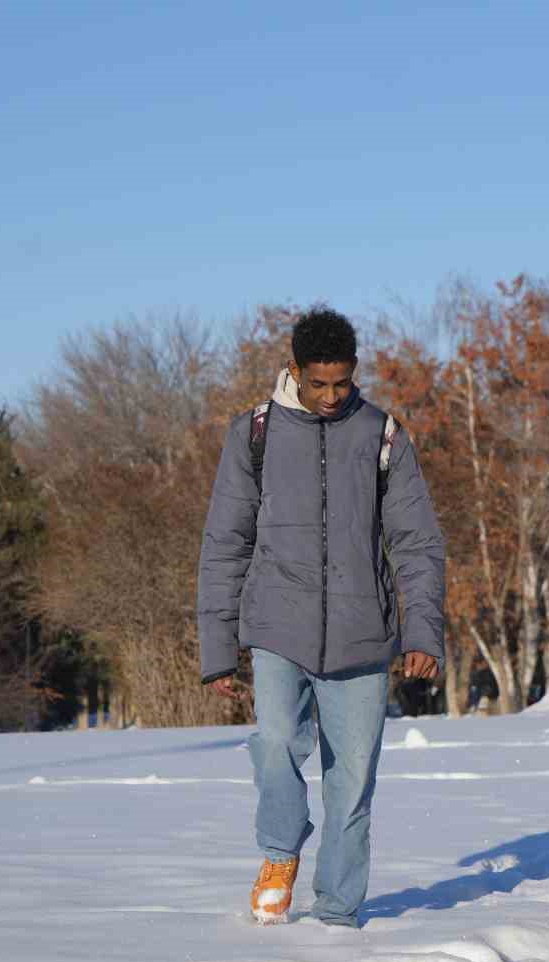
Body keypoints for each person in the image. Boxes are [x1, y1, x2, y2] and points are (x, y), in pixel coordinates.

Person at [198, 307, 446, 927]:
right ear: (294, 372)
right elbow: (225, 542)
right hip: (278, 624)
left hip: (363, 636)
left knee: (353, 780)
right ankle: (280, 850)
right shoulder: (253, 432)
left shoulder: (383, 434)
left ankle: (337, 910)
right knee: (277, 742)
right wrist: (218, 646)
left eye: (342, 383)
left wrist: (422, 631)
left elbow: (417, 542)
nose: (332, 397)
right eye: (318, 384)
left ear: (353, 372)